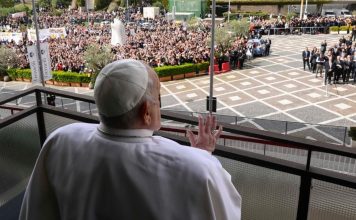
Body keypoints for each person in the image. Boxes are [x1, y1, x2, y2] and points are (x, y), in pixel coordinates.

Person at [19, 59, 242, 220]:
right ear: (146, 111)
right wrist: (202, 154)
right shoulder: (197, 167)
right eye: (158, 97)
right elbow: (225, 212)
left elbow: (37, 210)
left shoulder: (60, 140)